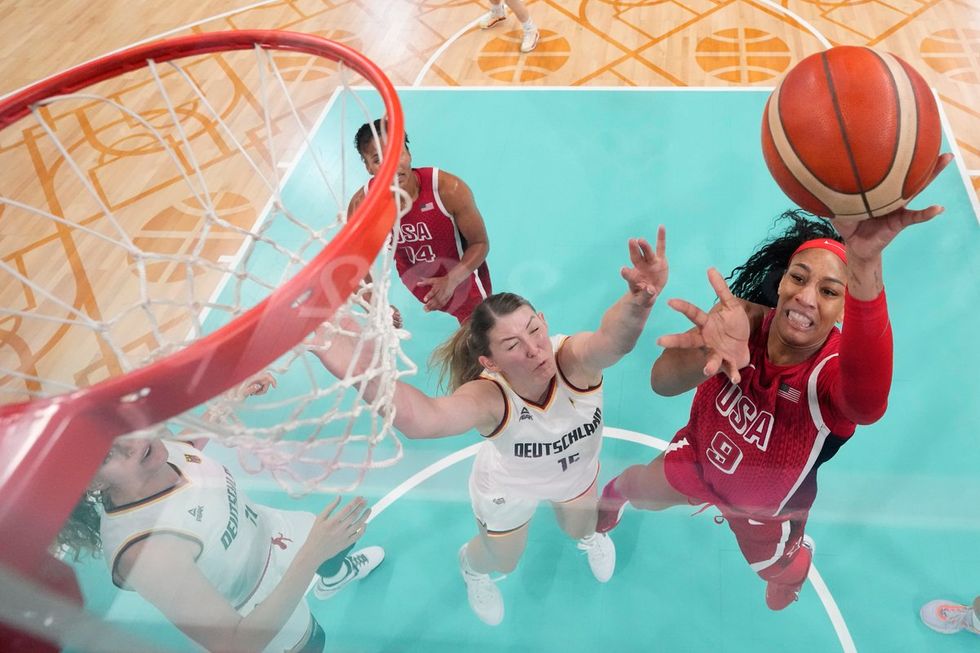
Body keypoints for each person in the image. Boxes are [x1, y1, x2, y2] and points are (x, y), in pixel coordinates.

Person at [596, 154, 953, 611]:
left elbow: (867, 405)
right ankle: (609, 504)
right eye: (799, 278)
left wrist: (865, 266)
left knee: (776, 578)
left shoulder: (829, 374)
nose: (806, 297)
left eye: (829, 291)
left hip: (768, 512)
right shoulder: (740, 321)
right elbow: (661, 383)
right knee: (637, 489)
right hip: (703, 460)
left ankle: (793, 565)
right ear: (782, 280)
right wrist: (710, 349)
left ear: (844, 306)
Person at [311, 228, 669, 625]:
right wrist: (338, 349)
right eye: (513, 345)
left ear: (544, 322)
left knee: (581, 527)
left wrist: (639, 303)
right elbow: (422, 419)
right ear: (491, 362)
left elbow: (612, 341)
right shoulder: (490, 398)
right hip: (508, 486)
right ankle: (472, 568)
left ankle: (592, 535)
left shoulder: (573, 360)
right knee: (505, 560)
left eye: (534, 330)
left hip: (575, 473)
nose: (534, 349)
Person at [57, 374, 385, 653]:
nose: (131, 443)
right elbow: (235, 644)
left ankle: (335, 577)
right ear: (92, 482)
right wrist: (311, 555)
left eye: (121, 428)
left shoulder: (154, 449)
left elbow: (188, 449)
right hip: (255, 605)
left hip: (275, 533)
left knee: (341, 541)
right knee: (312, 641)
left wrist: (227, 402)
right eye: (106, 456)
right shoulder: (145, 552)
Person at [350, 118, 492, 324]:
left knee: (484, 326)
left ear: (408, 153)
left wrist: (451, 280)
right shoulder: (361, 206)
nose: (391, 166)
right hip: (415, 277)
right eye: (378, 159)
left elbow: (480, 243)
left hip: (462, 271)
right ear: (368, 167)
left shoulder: (447, 189)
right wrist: (377, 305)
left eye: (398, 154)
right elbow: (354, 265)